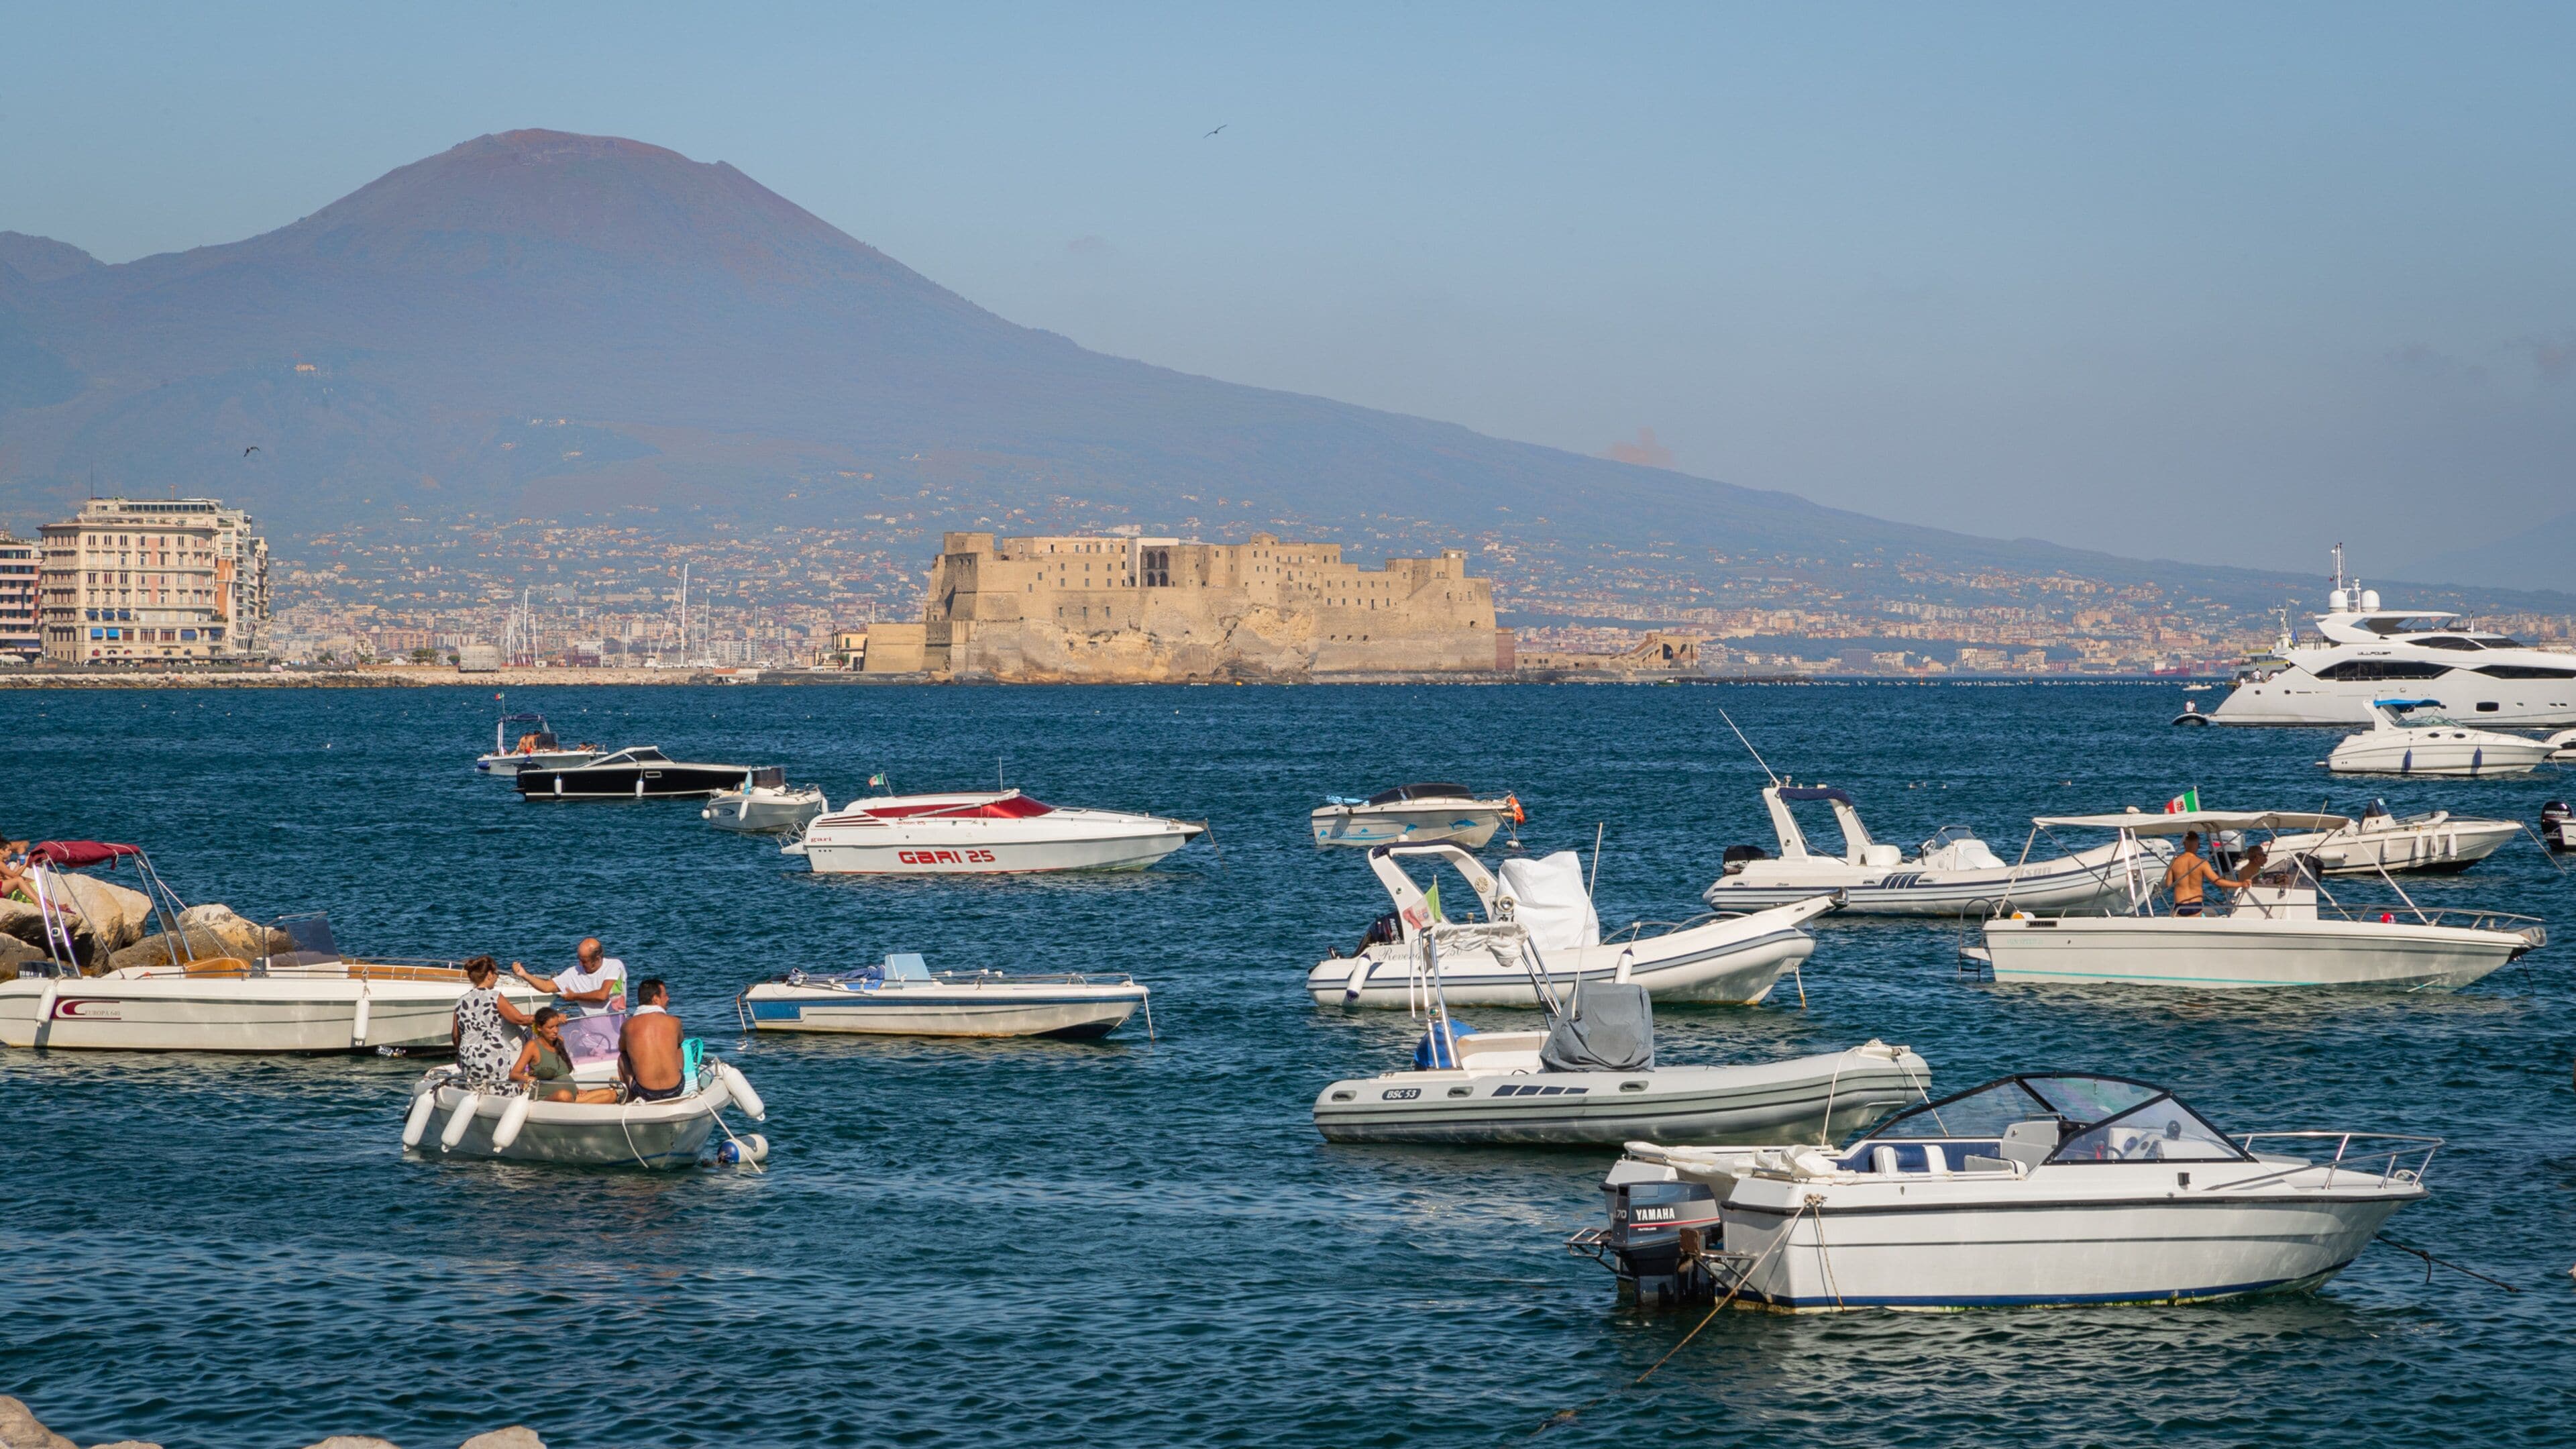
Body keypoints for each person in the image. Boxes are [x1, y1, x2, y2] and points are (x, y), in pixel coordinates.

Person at [452, 955, 537, 1092]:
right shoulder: (495, 996)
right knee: (505, 1090)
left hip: (468, 1058)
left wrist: (464, 1053)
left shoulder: (461, 1001)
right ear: (489, 975)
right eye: (496, 973)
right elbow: (520, 1019)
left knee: (477, 1091)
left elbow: (456, 1036)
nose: (497, 977)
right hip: (492, 1057)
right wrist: (546, 1017)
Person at [510, 1006, 617, 1104]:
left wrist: (576, 1089)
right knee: (563, 1095)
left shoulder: (560, 1041)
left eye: (557, 1026)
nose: (556, 1031)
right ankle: (582, 1110)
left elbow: (562, 1074)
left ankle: (579, 1110)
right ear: (539, 1028)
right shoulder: (533, 1046)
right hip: (546, 1098)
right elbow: (514, 1075)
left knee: (611, 1094)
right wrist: (529, 1079)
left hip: (571, 1096)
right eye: (550, 1028)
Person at [513, 938, 627, 1015]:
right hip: (588, 1033)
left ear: (597, 959)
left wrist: (574, 996)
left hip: (615, 1027)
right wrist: (524, 974)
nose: (580, 964)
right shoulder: (573, 972)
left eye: (584, 961)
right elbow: (547, 987)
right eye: (579, 959)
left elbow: (602, 995)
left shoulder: (615, 965)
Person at [618, 977, 686, 1102]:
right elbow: (680, 1041)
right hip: (675, 1089)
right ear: (656, 999)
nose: (668, 998)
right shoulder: (675, 1022)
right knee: (678, 1046)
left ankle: (630, 1098)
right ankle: (676, 1079)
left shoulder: (628, 1025)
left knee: (623, 1056)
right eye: (665, 995)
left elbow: (622, 1049)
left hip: (645, 1092)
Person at [2161, 830, 2223, 916]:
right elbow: (2218, 882)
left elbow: (2168, 884)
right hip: (2196, 905)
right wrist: (2240, 884)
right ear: (2198, 846)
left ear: (2184, 845)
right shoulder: (2202, 863)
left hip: (2180, 906)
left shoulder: (2174, 862)